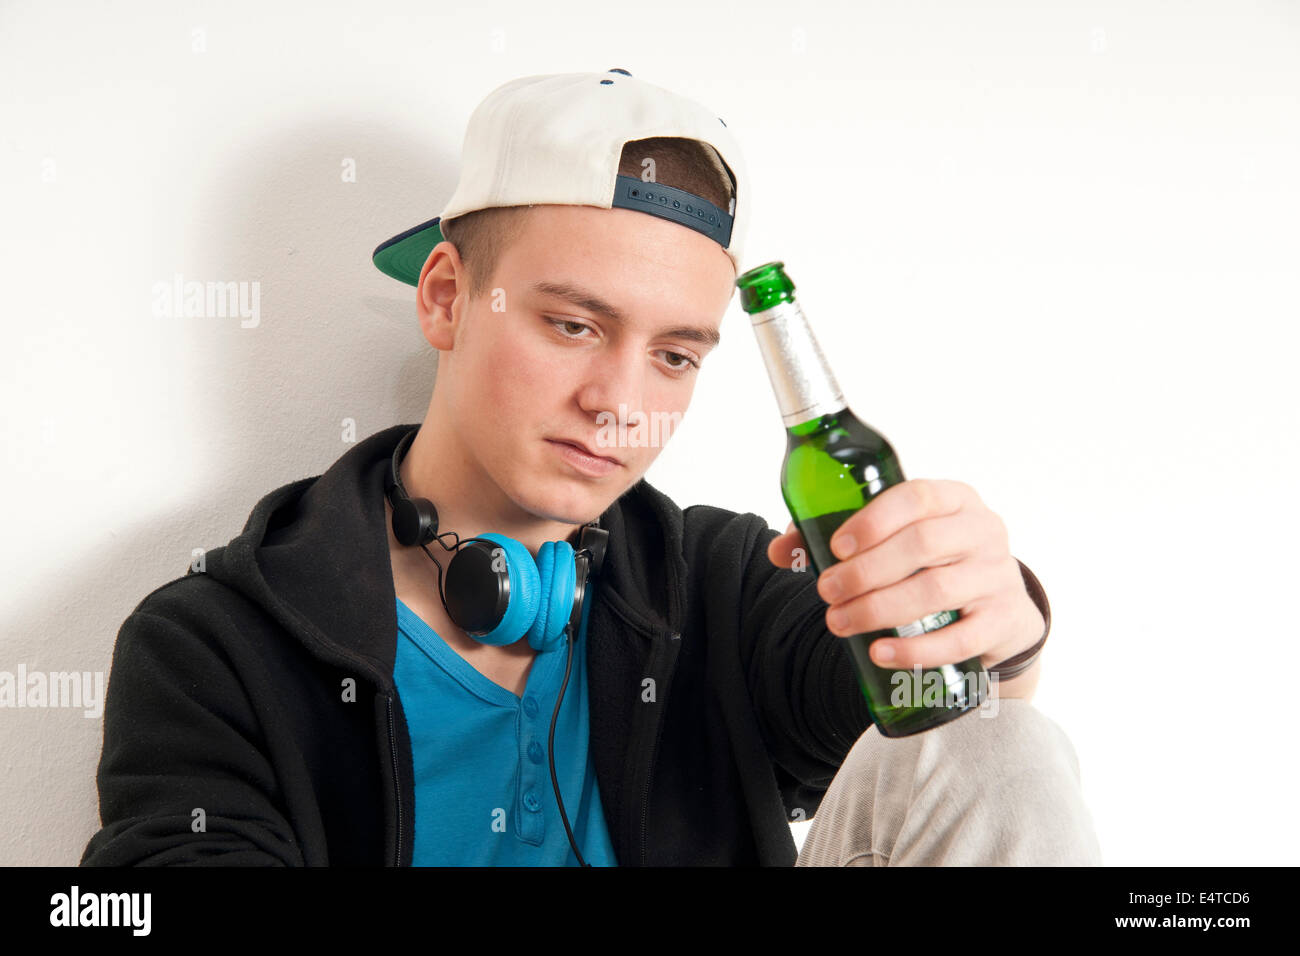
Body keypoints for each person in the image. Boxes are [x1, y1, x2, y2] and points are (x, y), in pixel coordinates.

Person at [81, 68, 1098, 867]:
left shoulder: (721, 582)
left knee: (1003, 742)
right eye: (573, 323)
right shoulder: (214, 642)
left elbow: (941, 746)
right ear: (444, 297)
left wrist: (984, 629)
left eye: (673, 355)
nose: (619, 401)